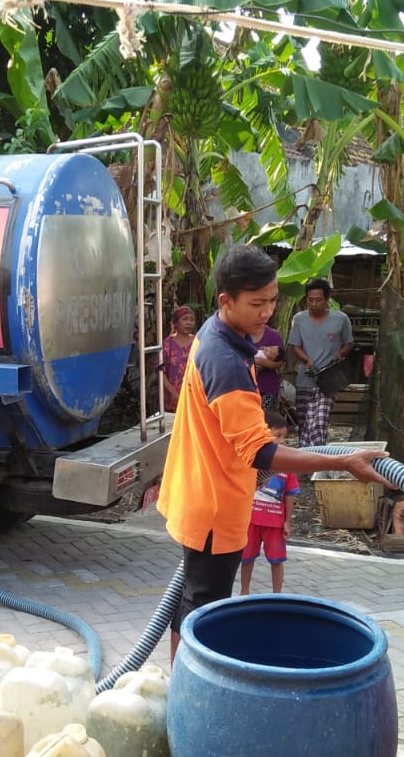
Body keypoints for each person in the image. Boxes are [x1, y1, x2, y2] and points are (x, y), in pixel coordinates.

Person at [157, 244, 390, 660]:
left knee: (192, 600)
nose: (266, 312)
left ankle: (180, 690)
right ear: (226, 300)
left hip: (201, 493)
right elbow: (261, 454)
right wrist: (342, 462)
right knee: (203, 609)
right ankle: (186, 697)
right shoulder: (224, 360)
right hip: (215, 505)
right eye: (257, 303)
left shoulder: (217, 333)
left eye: (272, 301)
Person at [288, 277, 354, 447]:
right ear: (306, 299)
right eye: (310, 300)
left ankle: (319, 457)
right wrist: (307, 360)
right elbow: (296, 346)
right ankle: (304, 460)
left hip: (328, 379)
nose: (314, 303)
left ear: (326, 299)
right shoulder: (299, 319)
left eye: (318, 300)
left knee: (320, 422)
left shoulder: (341, 319)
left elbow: (349, 344)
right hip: (305, 378)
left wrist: (340, 354)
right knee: (304, 422)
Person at [240, 412, 299, 595]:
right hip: (250, 520)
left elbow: (290, 494)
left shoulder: (286, 464)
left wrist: (287, 521)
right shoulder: (250, 461)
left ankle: (277, 594)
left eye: (284, 437)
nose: (282, 441)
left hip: (274, 523)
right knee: (246, 557)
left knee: (277, 559)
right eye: (277, 436)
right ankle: (244, 591)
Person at [161, 305, 197, 413]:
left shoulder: (198, 341)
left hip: (195, 397)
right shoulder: (168, 344)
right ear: (176, 323)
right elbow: (160, 371)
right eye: (185, 319)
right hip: (173, 401)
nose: (189, 323)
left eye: (192, 320)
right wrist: (174, 393)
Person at [252, 322, 287, 419]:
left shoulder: (273, 335)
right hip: (245, 388)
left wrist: (259, 361)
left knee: (265, 420)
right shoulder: (240, 333)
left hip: (267, 388)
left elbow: (280, 362)